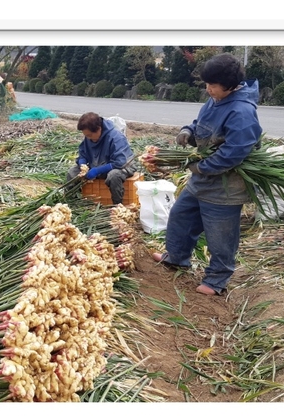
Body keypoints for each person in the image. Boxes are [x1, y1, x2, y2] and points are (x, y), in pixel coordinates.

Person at [152, 53, 262, 296]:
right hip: (201, 178)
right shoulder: (215, 100)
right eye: (207, 84)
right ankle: (177, 257)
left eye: (213, 85)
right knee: (181, 215)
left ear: (231, 86)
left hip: (225, 184)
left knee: (220, 235)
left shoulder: (241, 112)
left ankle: (216, 280)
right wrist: (187, 132)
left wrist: (201, 167)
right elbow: (199, 123)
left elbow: (234, 153)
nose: (208, 89)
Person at [66, 112, 135, 205]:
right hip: (98, 164)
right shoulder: (89, 138)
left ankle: (117, 205)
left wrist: (98, 170)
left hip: (122, 166)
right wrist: (82, 163)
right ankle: (71, 203)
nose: (88, 138)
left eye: (89, 135)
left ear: (99, 129)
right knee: (72, 172)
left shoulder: (116, 137)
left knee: (113, 176)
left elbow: (120, 162)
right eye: (86, 136)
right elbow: (83, 153)